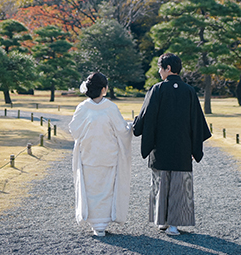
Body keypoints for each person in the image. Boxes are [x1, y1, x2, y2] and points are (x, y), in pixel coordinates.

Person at [132, 53, 211, 236]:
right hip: (183, 147)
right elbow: (197, 122)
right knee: (179, 185)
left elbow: (146, 117)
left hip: (160, 147)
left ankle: (162, 222)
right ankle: (174, 225)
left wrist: (136, 126)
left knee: (160, 183)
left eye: (161, 68)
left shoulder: (157, 89)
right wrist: (194, 148)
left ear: (168, 69)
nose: (160, 72)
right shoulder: (190, 91)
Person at [68, 72, 132, 237]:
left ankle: (96, 223)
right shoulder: (110, 107)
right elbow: (122, 130)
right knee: (106, 190)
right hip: (108, 154)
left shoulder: (83, 107)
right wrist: (132, 127)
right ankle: (101, 223)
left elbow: (74, 130)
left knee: (91, 189)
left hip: (89, 155)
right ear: (103, 89)